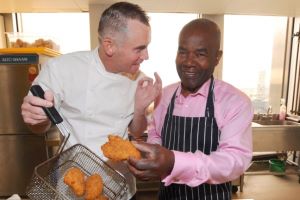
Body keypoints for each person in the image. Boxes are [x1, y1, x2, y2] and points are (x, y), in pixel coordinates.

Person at [21, 2, 161, 200]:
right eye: (139, 49)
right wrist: (38, 119)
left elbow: (137, 132)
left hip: (120, 189)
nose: (146, 56)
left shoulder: (139, 80)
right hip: (73, 189)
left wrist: (139, 109)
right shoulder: (62, 69)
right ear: (109, 45)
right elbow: (37, 125)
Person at [128, 18, 253, 200]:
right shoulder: (164, 95)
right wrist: (151, 161)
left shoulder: (235, 101)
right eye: (183, 52)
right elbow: (156, 135)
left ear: (217, 58)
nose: (188, 62)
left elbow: (234, 161)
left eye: (200, 54)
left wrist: (173, 162)